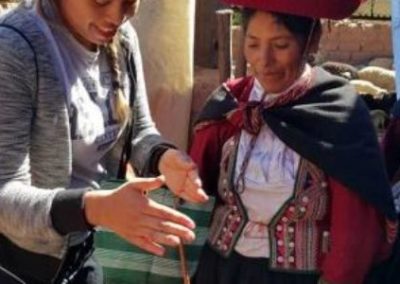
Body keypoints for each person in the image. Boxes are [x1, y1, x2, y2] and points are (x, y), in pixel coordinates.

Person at [0, 0, 208, 283]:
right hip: (18, 263)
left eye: (129, 2)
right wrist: (95, 209)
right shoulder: (14, 49)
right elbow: (4, 195)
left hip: (80, 250)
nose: (116, 15)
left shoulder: (122, 38)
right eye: (101, 0)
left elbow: (138, 130)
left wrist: (163, 157)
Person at [189, 0, 397, 283]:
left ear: (312, 40)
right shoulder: (230, 104)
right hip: (219, 272)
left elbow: (355, 234)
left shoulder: (338, 114)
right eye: (252, 44)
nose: (264, 59)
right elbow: (194, 192)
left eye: (281, 45)